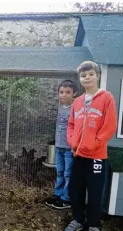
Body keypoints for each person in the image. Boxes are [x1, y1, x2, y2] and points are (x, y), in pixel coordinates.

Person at [64, 61, 117, 231]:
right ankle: (78, 220)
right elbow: (71, 125)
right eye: (83, 75)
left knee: (94, 192)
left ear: (97, 76)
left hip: (96, 157)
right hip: (77, 155)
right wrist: (72, 141)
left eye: (90, 74)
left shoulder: (106, 98)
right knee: (75, 189)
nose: (87, 78)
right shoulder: (77, 102)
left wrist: (95, 143)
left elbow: (109, 126)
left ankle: (94, 225)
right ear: (80, 79)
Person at [45, 80, 77, 209]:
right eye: (61, 92)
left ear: (74, 93)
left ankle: (66, 199)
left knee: (68, 174)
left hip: (70, 148)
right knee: (59, 172)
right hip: (59, 146)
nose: (64, 95)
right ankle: (57, 195)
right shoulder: (59, 106)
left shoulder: (76, 108)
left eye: (68, 92)